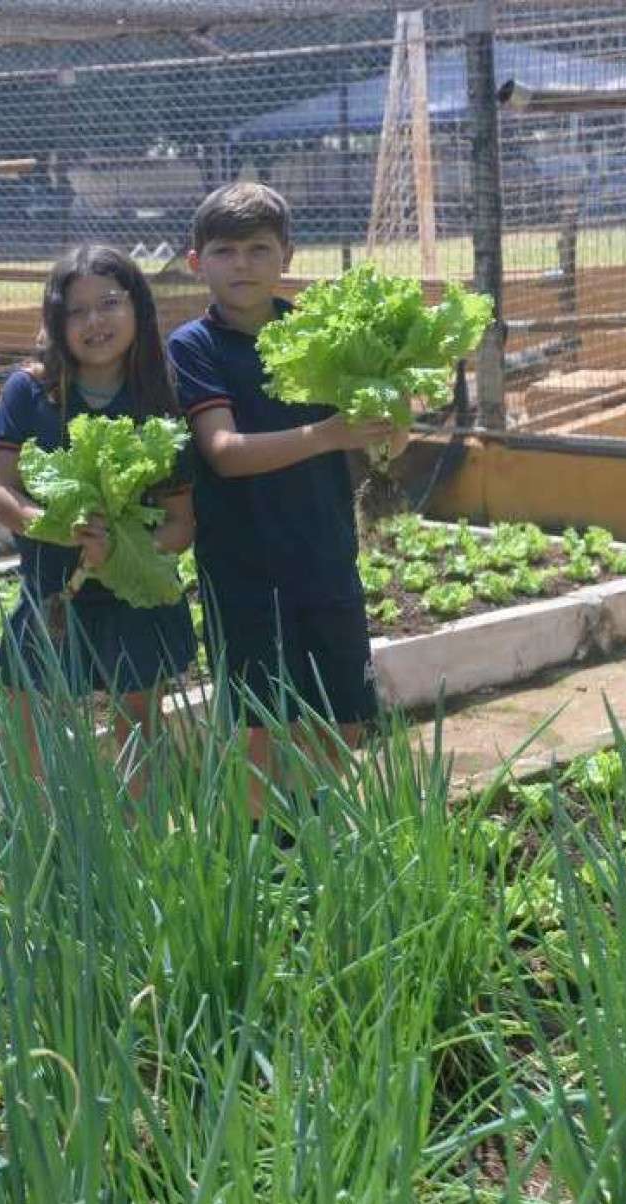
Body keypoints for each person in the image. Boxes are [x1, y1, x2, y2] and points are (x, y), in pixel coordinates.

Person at [166, 183, 407, 817]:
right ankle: (263, 852)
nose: (241, 264)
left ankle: (313, 838)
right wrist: (331, 434)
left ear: (287, 257)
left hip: (327, 552)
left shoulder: (319, 332)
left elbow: (384, 432)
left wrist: (390, 416)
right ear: (197, 263)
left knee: (344, 722)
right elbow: (222, 449)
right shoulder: (194, 347)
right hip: (244, 568)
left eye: (257, 249)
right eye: (224, 251)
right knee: (261, 726)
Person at [0, 245, 197, 790]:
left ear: (137, 309)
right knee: (26, 718)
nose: (94, 322)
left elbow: (180, 523)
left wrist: (122, 552)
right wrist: (55, 528)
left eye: (108, 304)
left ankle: (139, 840)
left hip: (134, 596)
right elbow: (1, 493)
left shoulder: (159, 397)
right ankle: (46, 843)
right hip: (51, 590)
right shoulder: (29, 392)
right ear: (56, 320)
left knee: (138, 725)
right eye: (76, 311)